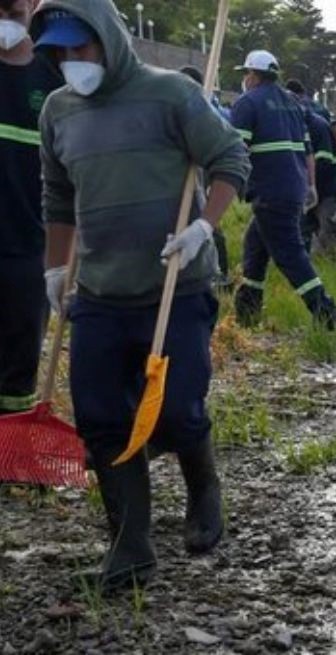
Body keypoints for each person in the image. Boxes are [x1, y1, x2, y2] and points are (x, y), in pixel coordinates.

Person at [33, 0, 251, 592]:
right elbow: (57, 194)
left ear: (108, 38)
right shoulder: (58, 110)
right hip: (99, 292)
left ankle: (203, 487)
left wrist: (203, 226)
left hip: (174, 285)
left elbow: (230, 158)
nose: (72, 60)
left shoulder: (171, 95)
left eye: (80, 46)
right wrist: (56, 269)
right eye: (60, 51)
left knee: (177, 409)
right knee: (101, 419)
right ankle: (130, 545)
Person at [229, 50, 336, 329]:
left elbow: (235, 150)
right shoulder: (293, 104)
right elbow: (307, 149)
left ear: (253, 75)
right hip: (293, 189)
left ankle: (326, 313)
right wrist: (311, 186)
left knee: (290, 255)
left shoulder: (247, 103)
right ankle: (247, 311)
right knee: (254, 248)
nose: (245, 79)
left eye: (246, 73)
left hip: (270, 192)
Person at [0, 0, 61, 416]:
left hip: (29, 251)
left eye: (13, 12)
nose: (4, 22)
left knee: (18, 369)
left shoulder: (54, 81)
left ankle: (12, 440)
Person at [178, 64, 233, 290]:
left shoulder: (207, 110)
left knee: (207, 221)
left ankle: (218, 274)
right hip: (194, 171)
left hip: (205, 172)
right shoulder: (197, 106)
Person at [286, 79, 336, 252]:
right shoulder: (297, 124)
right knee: (303, 228)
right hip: (309, 187)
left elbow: (324, 161)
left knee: (328, 231)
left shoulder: (317, 126)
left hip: (326, 188)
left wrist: (309, 185)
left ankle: (335, 259)